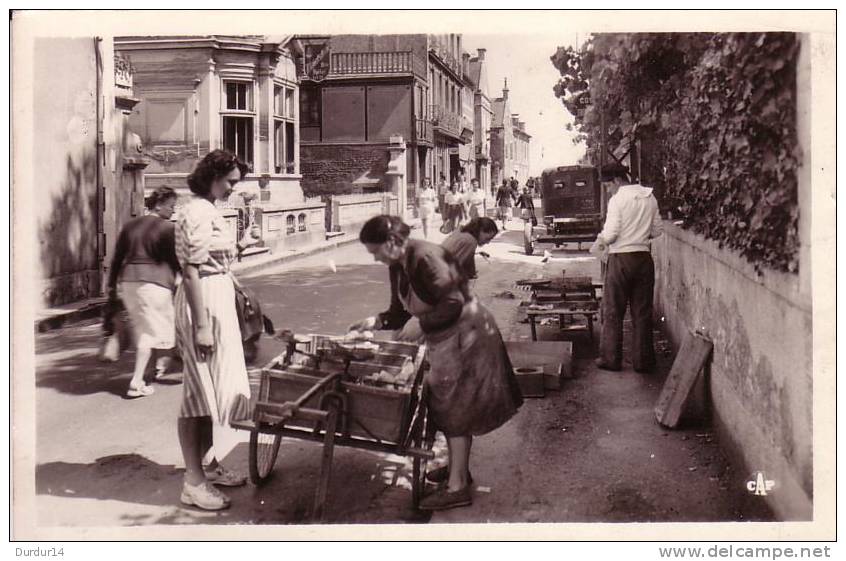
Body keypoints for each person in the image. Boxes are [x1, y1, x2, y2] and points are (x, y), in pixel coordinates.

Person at [349, 216, 522, 511]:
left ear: (391, 242)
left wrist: (422, 323)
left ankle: (457, 487)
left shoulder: (425, 256)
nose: (375, 258)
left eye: (375, 251)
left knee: (457, 406)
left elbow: (453, 301)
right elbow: (400, 311)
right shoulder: (397, 265)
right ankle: (458, 469)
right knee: (444, 404)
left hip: (467, 334)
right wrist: (376, 320)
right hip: (444, 336)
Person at [174, 149, 258, 511]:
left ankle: (206, 464)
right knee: (197, 393)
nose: (233, 189)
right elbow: (191, 270)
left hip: (216, 295)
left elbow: (215, 261)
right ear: (212, 175)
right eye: (230, 182)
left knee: (211, 391)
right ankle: (192, 483)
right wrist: (203, 326)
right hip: (202, 302)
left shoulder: (209, 208)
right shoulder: (195, 210)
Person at [107, 186, 180, 398]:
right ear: (158, 204)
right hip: (155, 283)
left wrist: (112, 287)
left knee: (144, 328)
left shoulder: (130, 226)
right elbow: (174, 259)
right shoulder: (168, 228)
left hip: (129, 282)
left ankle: (152, 369)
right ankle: (136, 381)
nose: (172, 211)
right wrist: (181, 279)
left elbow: (116, 259)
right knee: (153, 331)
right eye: (170, 206)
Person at [591, 164, 663, 373]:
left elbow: (611, 233)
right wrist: (638, 235)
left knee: (613, 310)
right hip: (643, 258)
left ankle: (610, 359)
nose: (607, 190)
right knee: (642, 311)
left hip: (620, 259)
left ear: (616, 180)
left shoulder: (618, 200)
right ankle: (643, 362)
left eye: (607, 186)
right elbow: (658, 230)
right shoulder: (650, 197)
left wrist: (601, 240)